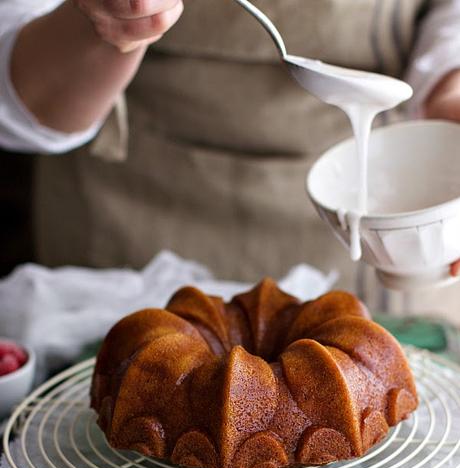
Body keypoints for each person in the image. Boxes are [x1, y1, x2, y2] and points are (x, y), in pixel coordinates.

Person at [1, 0, 460, 314]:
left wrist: (451, 88)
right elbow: (18, 85)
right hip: (126, 228)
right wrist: (107, 23)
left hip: (378, 227)